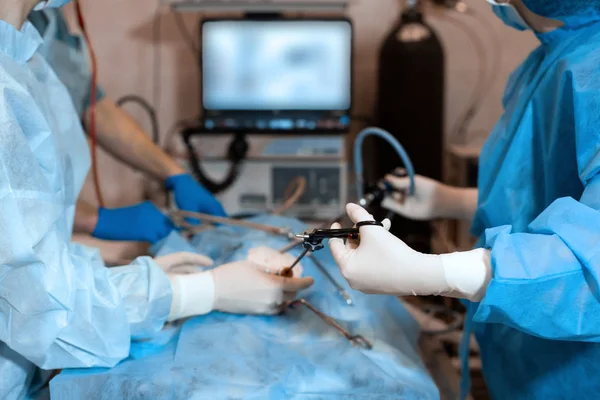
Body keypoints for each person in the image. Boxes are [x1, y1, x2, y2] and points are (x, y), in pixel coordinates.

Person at [0, 1, 313, 398]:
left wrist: (144, 280)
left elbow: (29, 260)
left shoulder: (22, 60)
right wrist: (199, 292)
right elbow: (46, 313)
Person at [330, 1, 600, 398]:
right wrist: (451, 200)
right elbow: (550, 205)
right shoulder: (550, 61)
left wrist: (430, 273)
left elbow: (589, 265)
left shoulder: (590, 73)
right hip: (523, 365)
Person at [26, 7, 225, 244]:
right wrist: (93, 219)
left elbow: (89, 104)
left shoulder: (44, 17)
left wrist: (175, 173)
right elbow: (10, 198)